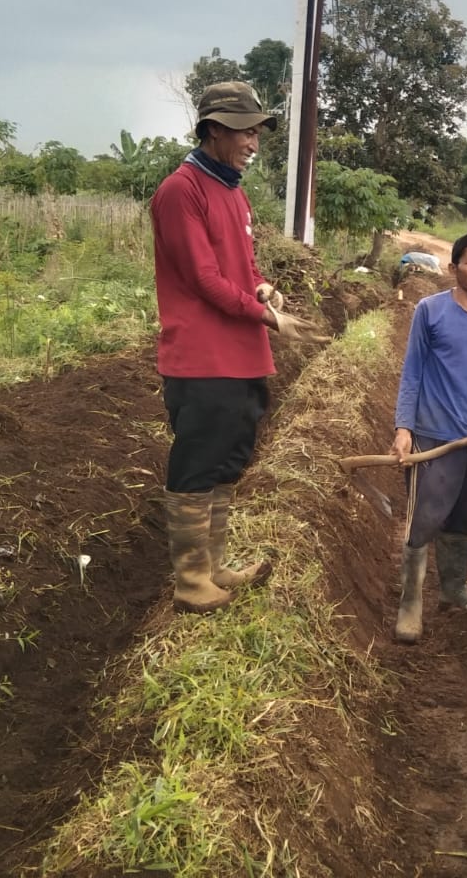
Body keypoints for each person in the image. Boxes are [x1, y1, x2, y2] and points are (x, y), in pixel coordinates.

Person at [150, 81, 304, 614]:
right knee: (198, 460)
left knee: (229, 457)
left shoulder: (232, 190)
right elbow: (202, 278)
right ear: (214, 129)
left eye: (258, 130)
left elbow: (240, 266)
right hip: (202, 356)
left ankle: (214, 565)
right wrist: (264, 314)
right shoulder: (181, 190)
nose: (254, 142)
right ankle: (190, 579)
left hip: (240, 352)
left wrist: (262, 286)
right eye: (245, 131)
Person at [389, 230, 467, 644]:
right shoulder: (430, 311)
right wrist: (404, 428)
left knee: (466, 517)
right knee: (423, 519)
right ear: (454, 266)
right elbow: (413, 373)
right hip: (432, 438)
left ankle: (452, 589)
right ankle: (410, 604)